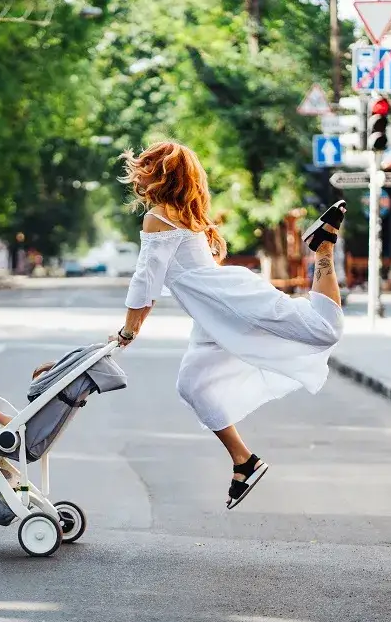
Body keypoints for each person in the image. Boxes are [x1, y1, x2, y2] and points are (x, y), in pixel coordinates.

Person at [108, 141, 345, 510]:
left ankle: (323, 248)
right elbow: (156, 279)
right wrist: (132, 326)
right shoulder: (181, 214)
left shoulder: (159, 217)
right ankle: (244, 462)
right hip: (215, 315)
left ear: (159, 175)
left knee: (324, 330)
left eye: (147, 168)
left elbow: (146, 280)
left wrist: (128, 330)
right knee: (192, 385)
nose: (141, 175)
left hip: (233, 304)